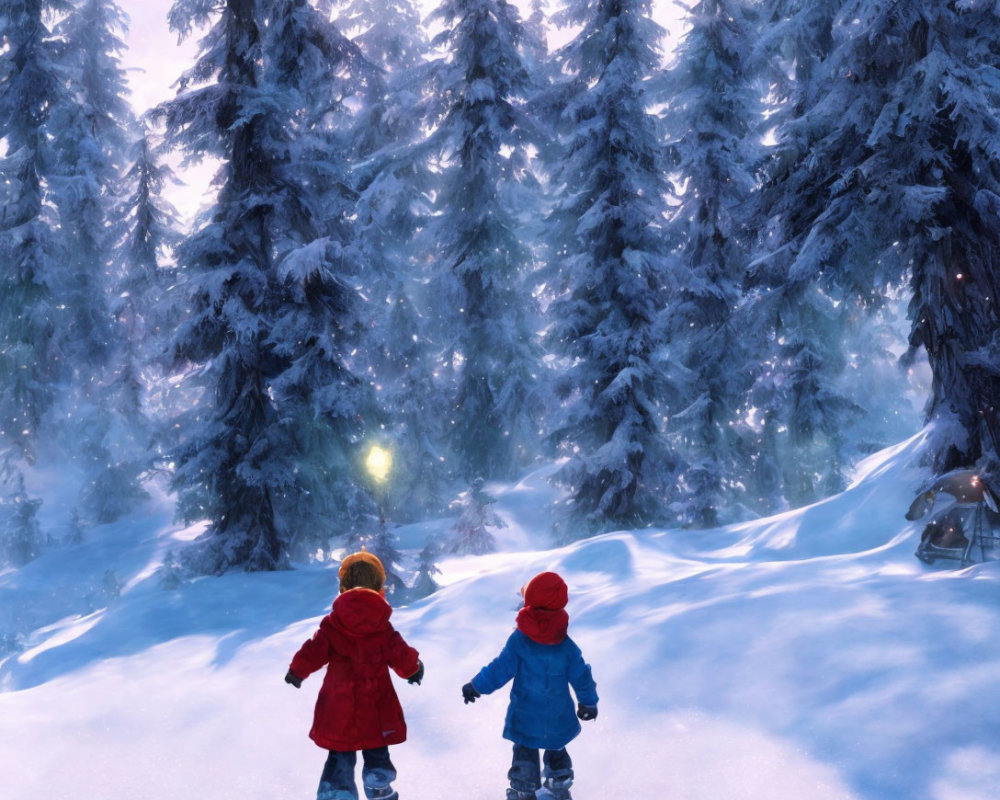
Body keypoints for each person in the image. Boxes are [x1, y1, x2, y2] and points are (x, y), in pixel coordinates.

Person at [286, 550, 423, 800]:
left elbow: (314, 649)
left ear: (343, 587)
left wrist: (297, 670)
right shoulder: (382, 626)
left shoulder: (333, 624)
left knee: (340, 751)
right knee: (376, 747)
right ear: (379, 586)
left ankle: (338, 790)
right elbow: (399, 652)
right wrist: (414, 669)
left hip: (340, 706)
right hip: (376, 706)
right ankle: (378, 781)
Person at [461, 571, 598, 800]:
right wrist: (588, 702)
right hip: (558, 715)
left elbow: (500, 668)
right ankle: (559, 782)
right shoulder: (565, 645)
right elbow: (581, 674)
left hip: (525, 715)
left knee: (524, 751)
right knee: (557, 746)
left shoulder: (520, 640)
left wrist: (476, 686)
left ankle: (524, 787)